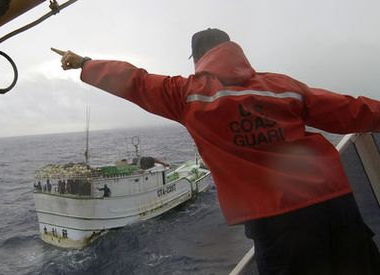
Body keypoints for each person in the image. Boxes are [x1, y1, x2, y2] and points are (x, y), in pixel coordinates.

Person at [53, 28, 380, 274]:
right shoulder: (282, 86)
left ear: (199, 60)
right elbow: (349, 110)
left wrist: (84, 62)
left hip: (278, 222)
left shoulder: (185, 95)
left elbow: (134, 81)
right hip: (335, 204)